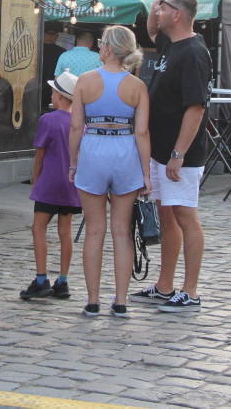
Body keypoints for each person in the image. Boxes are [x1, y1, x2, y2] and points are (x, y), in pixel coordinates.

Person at [131, 0, 210, 313]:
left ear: (177, 15)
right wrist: (153, 9)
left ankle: (190, 291)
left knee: (185, 216)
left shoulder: (193, 52)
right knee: (167, 215)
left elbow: (196, 108)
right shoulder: (171, 44)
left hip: (180, 154)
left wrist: (179, 153)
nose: (158, 13)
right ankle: (165, 286)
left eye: (163, 9)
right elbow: (151, 32)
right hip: (161, 150)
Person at [69, 26, 150, 317]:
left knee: (94, 231)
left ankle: (92, 300)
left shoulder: (85, 81)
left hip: (93, 151)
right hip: (125, 152)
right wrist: (147, 174)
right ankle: (120, 300)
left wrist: (73, 162)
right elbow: (142, 133)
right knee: (122, 233)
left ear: (107, 49)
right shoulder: (137, 86)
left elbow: (76, 127)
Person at [20, 69, 82, 301]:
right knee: (65, 232)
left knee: (39, 229)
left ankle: (41, 278)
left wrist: (36, 183)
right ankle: (63, 281)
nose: (52, 95)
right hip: (70, 185)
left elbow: (40, 156)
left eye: (54, 92)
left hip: (49, 184)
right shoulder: (79, 124)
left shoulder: (48, 120)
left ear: (61, 97)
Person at [41, 21, 66, 111]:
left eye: (56, 34)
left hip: (36, 88)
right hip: (53, 90)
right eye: (53, 34)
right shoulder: (62, 52)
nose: (56, 36)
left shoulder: (34, 51)